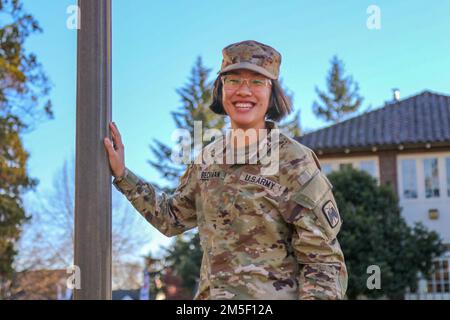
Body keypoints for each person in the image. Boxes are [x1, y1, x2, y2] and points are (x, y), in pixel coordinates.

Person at [104, 40, 348, 300]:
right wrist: (122, 174)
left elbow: (323, 262)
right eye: (233, 81)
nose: (244, 91)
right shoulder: (207, 159)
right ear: (220, 90)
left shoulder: (294, 161)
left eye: (257, 82)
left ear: (272, 93)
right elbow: (171, 217)